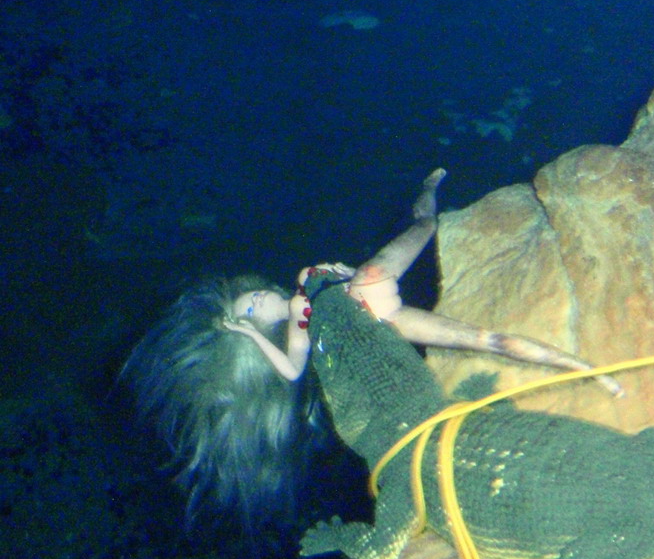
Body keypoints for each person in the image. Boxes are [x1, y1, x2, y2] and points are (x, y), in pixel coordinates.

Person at [122, 169, 617, 528]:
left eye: (249, 299)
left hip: (375, 293)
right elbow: (300, 371)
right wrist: (254, 334)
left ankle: (428, 189)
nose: (255, 297)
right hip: (381, 311)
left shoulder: (299, 311)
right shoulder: (301, 331)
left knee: (429, 237)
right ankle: (588, 370)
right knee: (482, 337)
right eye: (251, 307)